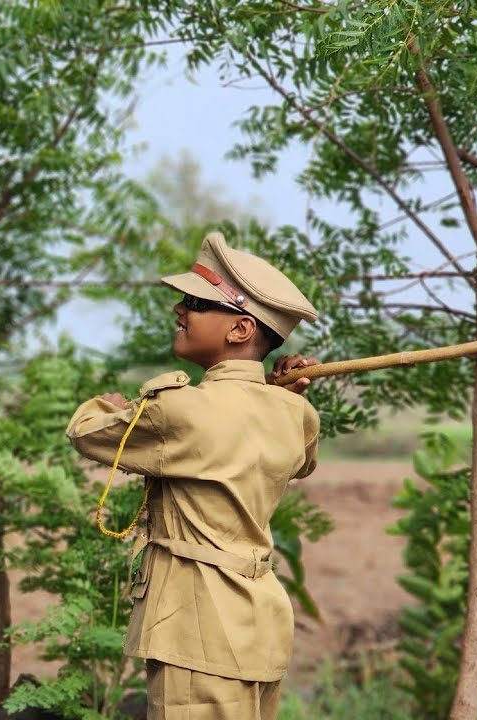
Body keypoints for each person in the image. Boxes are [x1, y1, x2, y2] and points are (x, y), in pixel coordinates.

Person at [65, 232, 321, 720]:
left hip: (198, 627)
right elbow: (301, 461)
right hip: (258, 622)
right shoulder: (294, 413)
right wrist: (284, 392)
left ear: (240, 329)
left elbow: (86, 432)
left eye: (197, 303)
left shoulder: (180, 411)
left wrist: (110, 405)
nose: (179, 309)